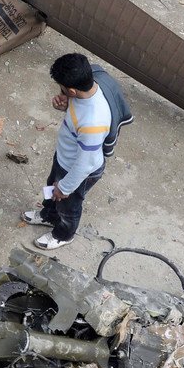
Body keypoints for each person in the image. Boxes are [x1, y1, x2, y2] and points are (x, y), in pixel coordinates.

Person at [23, 53, 130, 250]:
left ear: (72, 90)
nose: (61, 92)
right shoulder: (93, 80)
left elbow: (86, 164)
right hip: (65, 157)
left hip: (77, 170)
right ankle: (49, 215)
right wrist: (66, 107)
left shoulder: (92, 123)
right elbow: (76, 117)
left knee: (68, 206)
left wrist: (65, 188)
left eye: (62, 89)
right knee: (51, 187)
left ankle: (64, 234)